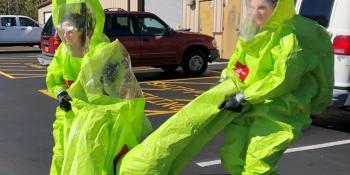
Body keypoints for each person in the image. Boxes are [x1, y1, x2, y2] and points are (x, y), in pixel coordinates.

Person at [117, 0, 334, 174]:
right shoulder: (253, 30)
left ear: (276, 8)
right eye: (252, 7)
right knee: (233, 157)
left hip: (278, 110)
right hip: (245, 105)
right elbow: (238, 60)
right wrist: (225, 80)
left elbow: (283, 79)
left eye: (262, 8)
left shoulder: (291, 37)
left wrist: (243, 97)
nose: (256, 13)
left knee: (258, 164)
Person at [46, 0, 151, 174]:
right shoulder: (63, 53)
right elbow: (53, 80)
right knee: (62, 159)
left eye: (70, 31)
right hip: (68, 120)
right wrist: (60, 94)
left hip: (97, 124)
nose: (65, 35)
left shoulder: (103, 51)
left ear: (82, 30)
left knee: (94, 164)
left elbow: (122, 90)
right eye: (62, 31)